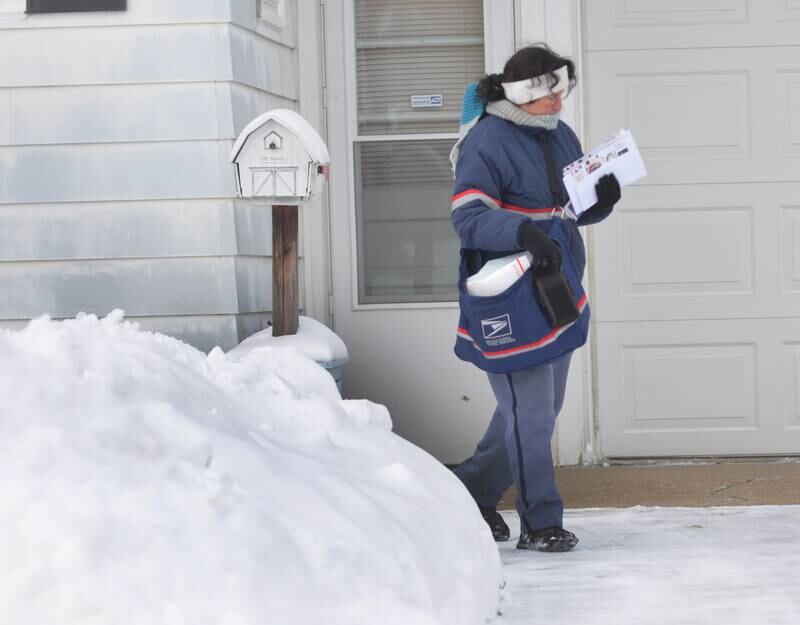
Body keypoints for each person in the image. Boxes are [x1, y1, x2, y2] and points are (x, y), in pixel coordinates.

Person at [450, 44, 620, 552]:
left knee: (536, 409)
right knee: (533, 413)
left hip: (557, 284)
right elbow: (469, 216)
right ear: (525, 96)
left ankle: (471, 494)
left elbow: (569, 208)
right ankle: (541, 521)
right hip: (509, 293)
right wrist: (524, 232)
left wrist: (600, 201)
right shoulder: (486, 141)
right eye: (551, 96)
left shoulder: (559, 133)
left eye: (563, 93)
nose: (560, 104)